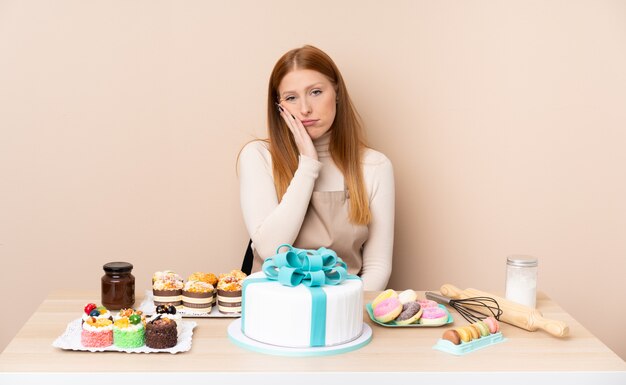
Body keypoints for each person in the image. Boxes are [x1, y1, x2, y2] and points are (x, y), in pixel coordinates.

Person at [238, 45, 395, 291]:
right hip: (273, 313)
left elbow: (378, 265)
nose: (305, 109)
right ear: (279, 107)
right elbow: (270, 250)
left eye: (316, 92)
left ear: (337, 92)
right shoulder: (258, 156)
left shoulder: (375, 166)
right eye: (291, 98)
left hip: (346, 315)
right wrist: (308, 165)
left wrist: (342, 312)